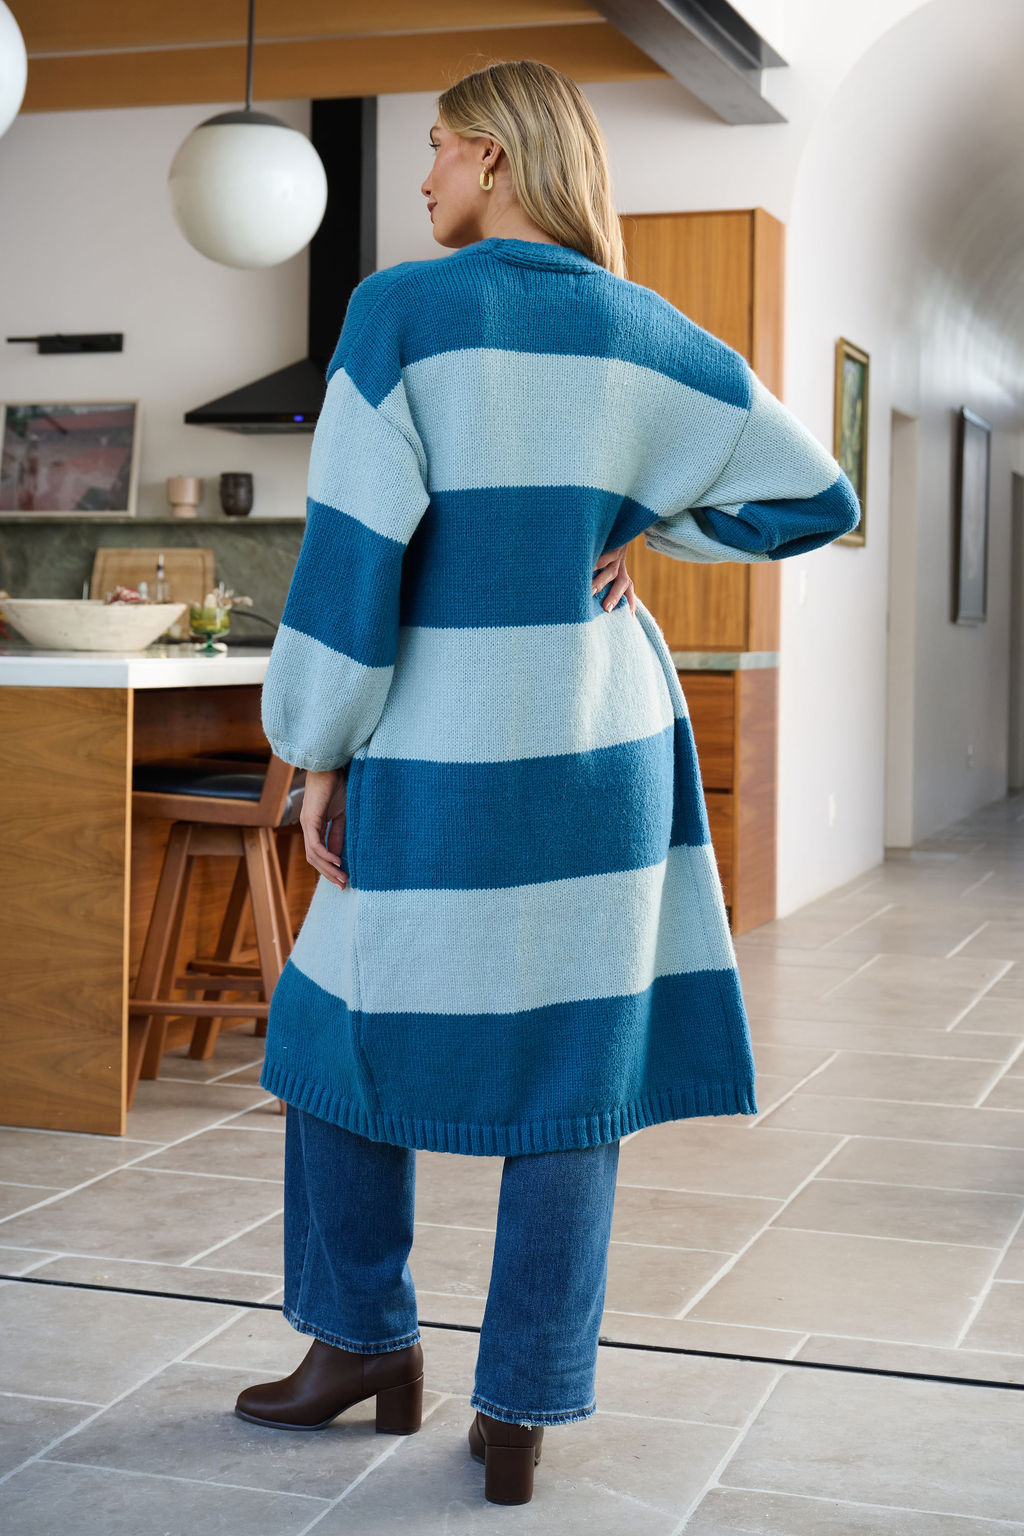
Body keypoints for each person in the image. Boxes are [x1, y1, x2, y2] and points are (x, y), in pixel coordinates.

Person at [234, 59, 860, 1506]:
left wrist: (315, 746)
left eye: (442, 150)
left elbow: (347, 561)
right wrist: (640, 524)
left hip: (444, 743)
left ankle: (359, 1342)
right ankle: (519, 1411)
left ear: (500, 159)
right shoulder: (648, 330)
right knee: (573, 1070)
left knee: (335, 1040)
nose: (430, 178)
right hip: (603, 749)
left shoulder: (399, 310)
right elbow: (813, 495)